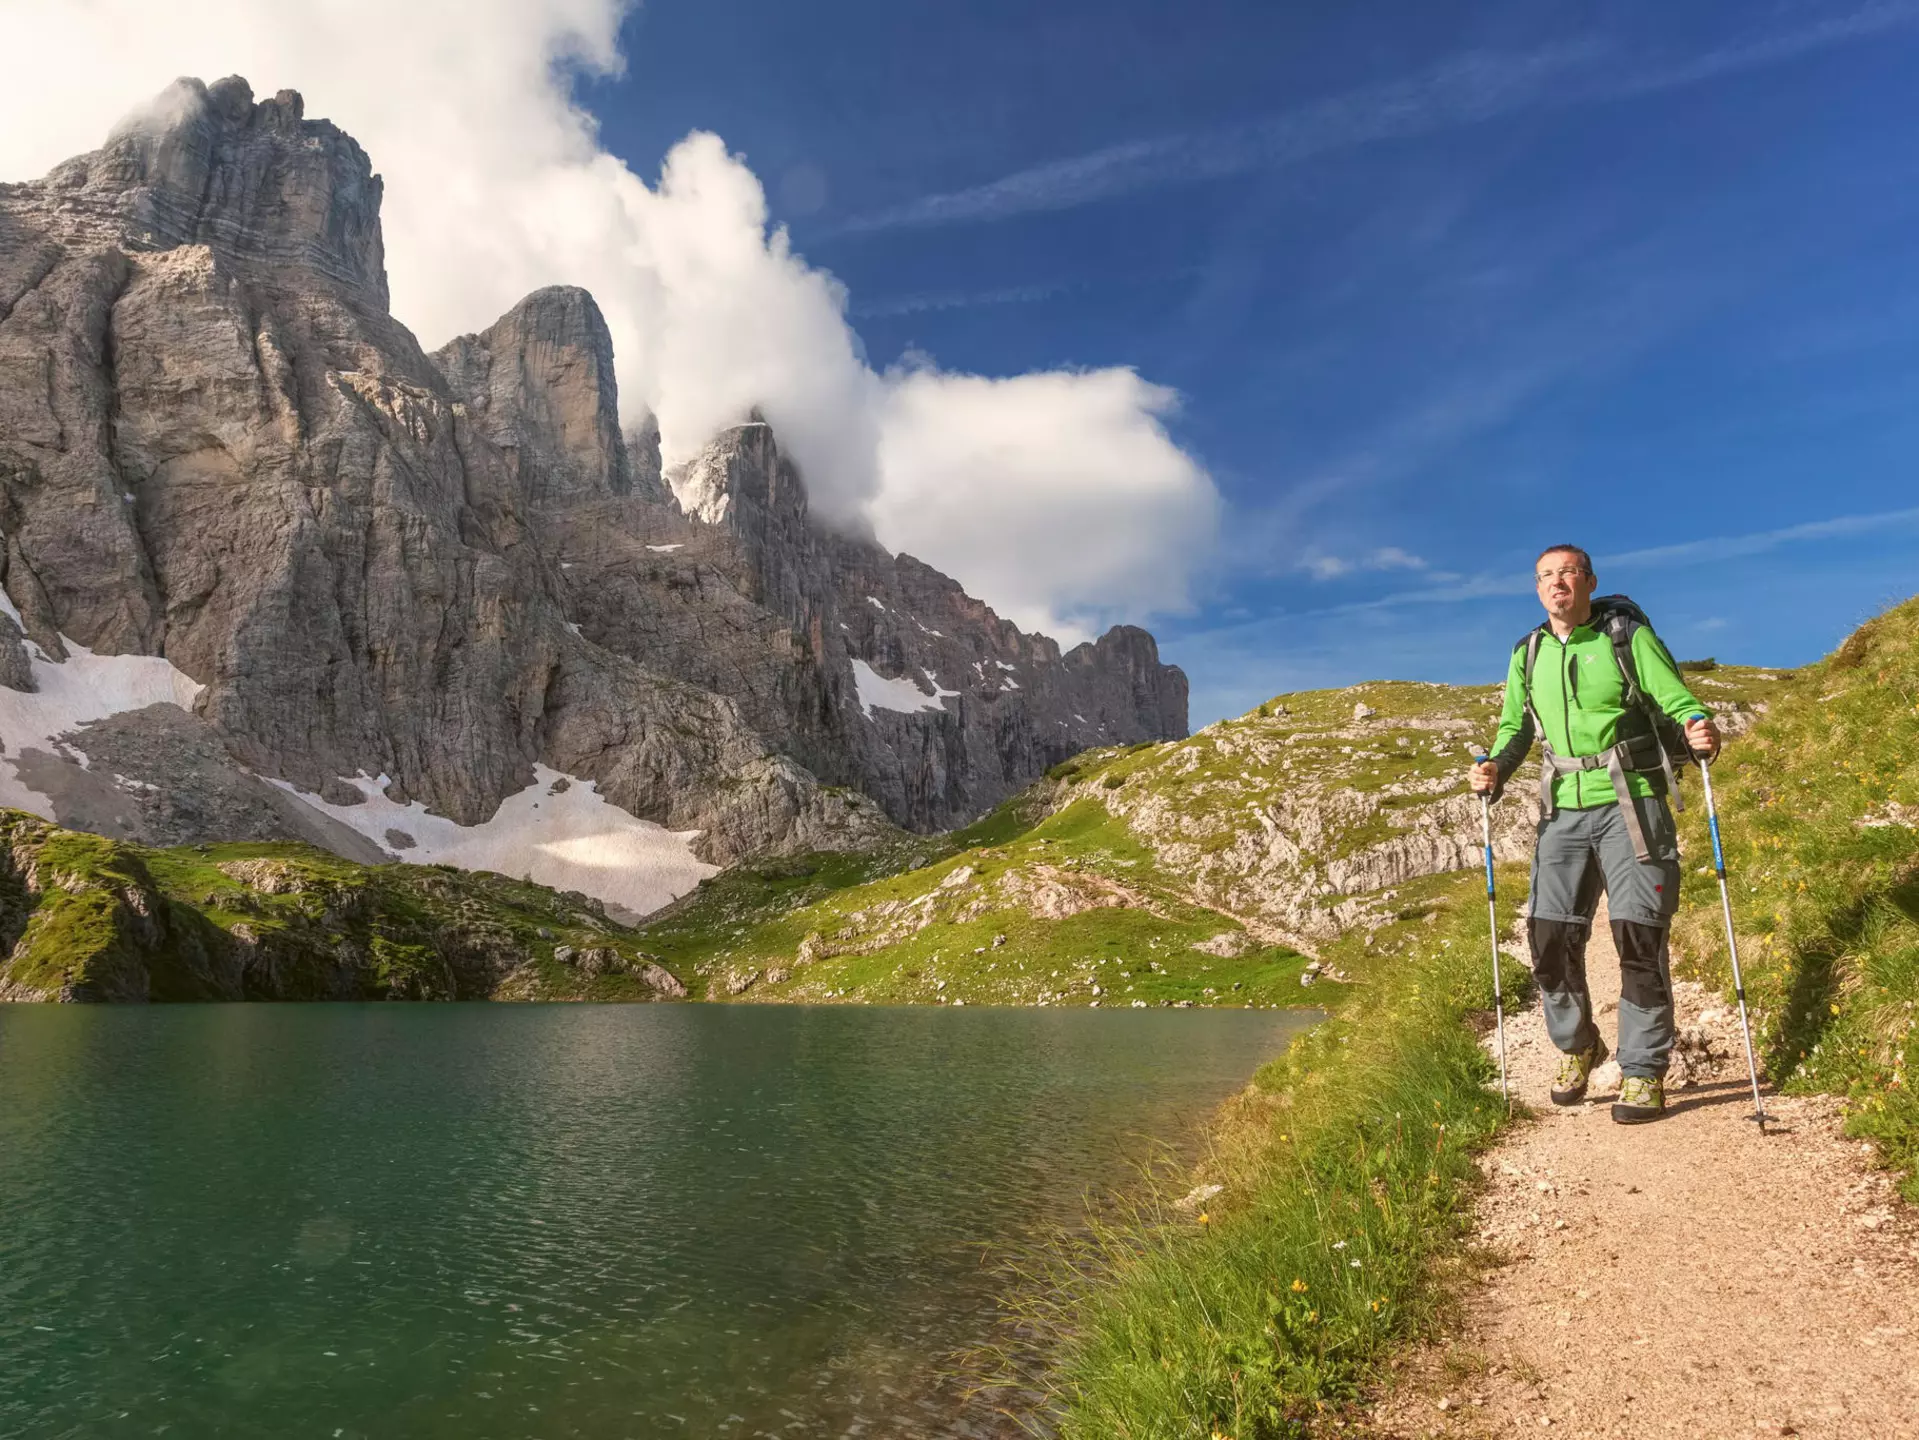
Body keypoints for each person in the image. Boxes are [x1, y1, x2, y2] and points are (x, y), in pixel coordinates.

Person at [1469, 544, 1718, 1123]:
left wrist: (1698, 726)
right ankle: (1579, 1045)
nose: (1558, 583)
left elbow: (1676, 699)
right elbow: (1514, 728)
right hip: (1563, 810)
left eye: (1569, 573)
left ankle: (1643, 1071)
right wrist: (1495, 771)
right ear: (1537, 589)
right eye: (1547, 576)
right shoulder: (1526, 653)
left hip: (1632, 802)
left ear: (1589, 581)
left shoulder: (1626, 637)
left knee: (1638, 936)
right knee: (1548, 938)